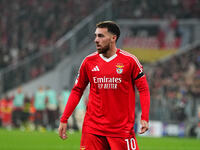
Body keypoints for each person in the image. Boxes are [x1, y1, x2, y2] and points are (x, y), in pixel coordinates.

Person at [58, 21, 150, 150]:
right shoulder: (88, 62)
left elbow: (143, 89)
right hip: (93, 130)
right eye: (96, 36)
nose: (96, 40)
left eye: (101, 36)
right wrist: (64, 118)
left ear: (113, 38)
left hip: (121, 130)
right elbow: (77, 90)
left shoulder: (130, 61)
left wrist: (144, 116)